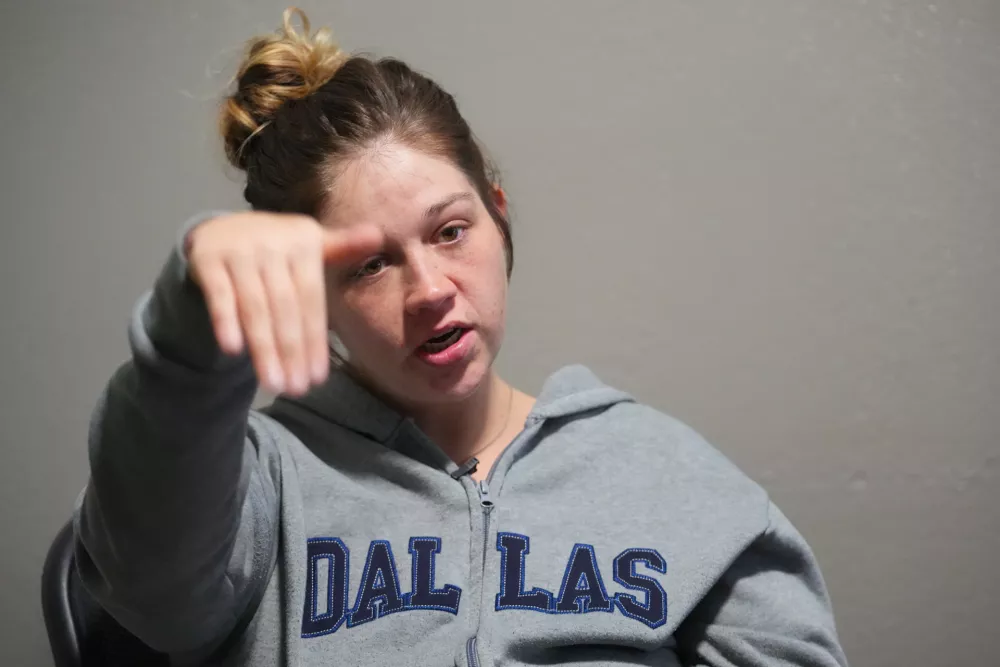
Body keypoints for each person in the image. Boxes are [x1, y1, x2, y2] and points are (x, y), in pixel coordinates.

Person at [73, 8, 849, 667]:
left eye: (450, 231)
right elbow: (154, 592)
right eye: (372, 263)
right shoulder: (257, 486)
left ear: (498, 213)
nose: (431, 291)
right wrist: (192, 328)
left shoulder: (658, 470)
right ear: (313, 291)